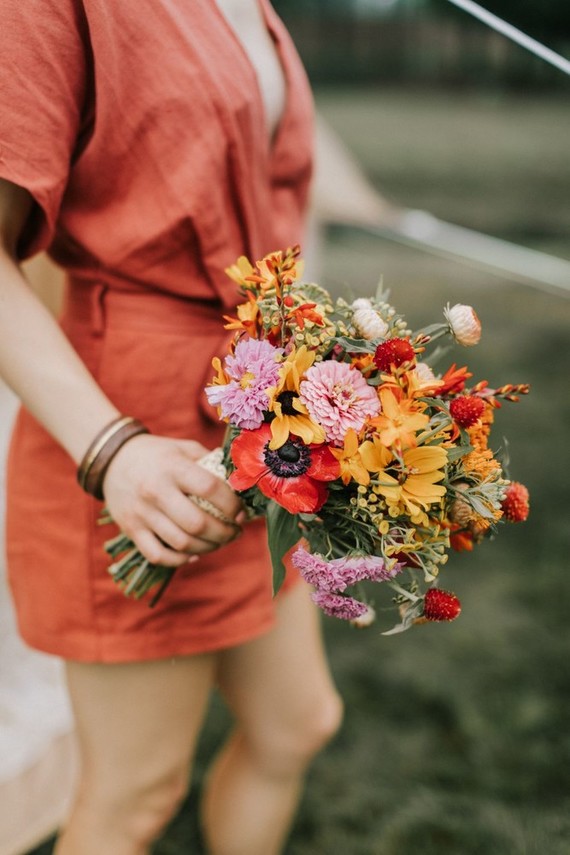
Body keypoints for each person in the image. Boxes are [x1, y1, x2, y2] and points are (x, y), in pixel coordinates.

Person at [0, 2, 344, 853]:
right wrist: (112, 450)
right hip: (136, 442)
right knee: (135, 796)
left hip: (256, 427)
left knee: (298, 721)